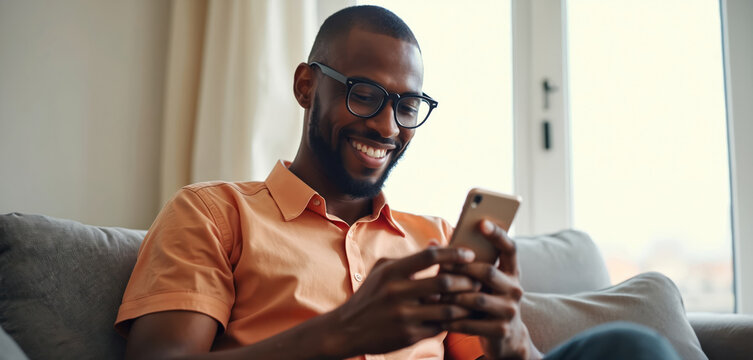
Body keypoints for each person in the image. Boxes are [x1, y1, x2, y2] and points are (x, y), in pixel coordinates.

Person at [116, 5, 681, 360]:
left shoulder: (436, 238)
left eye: (407, 105)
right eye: (364, 94)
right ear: (307, 86)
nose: (387, 126)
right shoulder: (214, 214)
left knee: (632, 347)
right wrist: (341, 334)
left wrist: (512, 343)